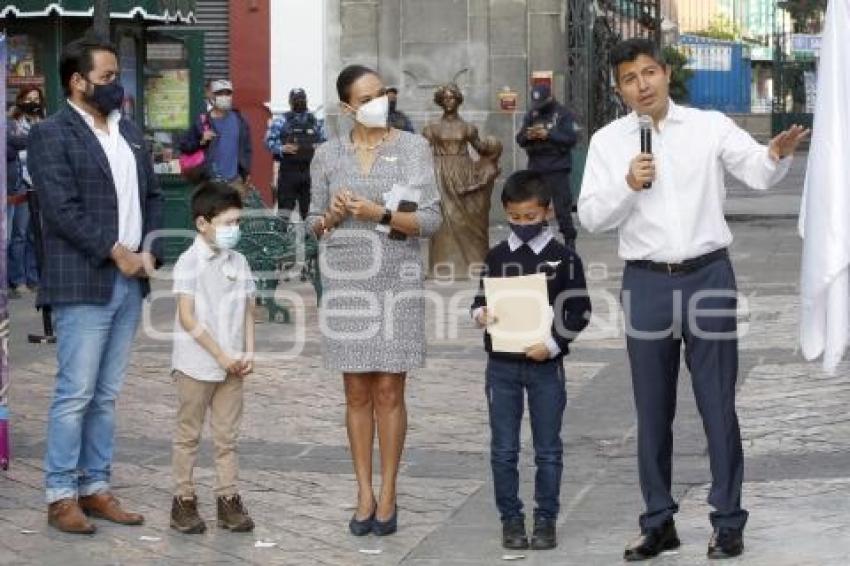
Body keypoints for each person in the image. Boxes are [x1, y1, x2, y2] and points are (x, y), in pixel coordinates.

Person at [577, 38, 809, 561]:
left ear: (665, 74)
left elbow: (754, 168)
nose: (643, 85)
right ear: (619, 89)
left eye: (650, 72)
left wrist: (775, 154)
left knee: (717, 404)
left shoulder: (708, 126)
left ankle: (727, 520)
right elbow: (590, 215)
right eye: (630, 78)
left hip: (708, 278)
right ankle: (658, 520)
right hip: (646, 283)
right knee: (651, 409)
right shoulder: (608, 143)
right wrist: (626, 185)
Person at [28, 34, 164, 534]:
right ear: (77, 81)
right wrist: (116, 250)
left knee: (105, 395)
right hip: (85, 278)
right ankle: (60, 493)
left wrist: (151, 248)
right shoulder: (52, 133)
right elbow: (60, 210)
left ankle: (96, 486)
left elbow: (152, 194)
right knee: (75, 392)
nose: (116, 86)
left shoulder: (128, 131)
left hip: (131, 281)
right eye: (107, 78)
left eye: (116, 77)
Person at [307, 64, 442, 536]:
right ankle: (363, 489)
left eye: (381, 93)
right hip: (347, 279)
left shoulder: (413, 148)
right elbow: (311, 225)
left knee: (390, 390)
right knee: (356, 391)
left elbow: (430, 220)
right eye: (365, 98)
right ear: (347, 107)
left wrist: (378, 212)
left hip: (396, 275)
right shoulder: (326, 155)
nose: (377, 102)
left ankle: (389, 491)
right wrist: (332, 215)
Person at [470, 170, 591, 551]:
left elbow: (579, 312)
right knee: (504, 448)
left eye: (531, 218)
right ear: (506, 211)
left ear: (548, 211)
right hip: (502, 366)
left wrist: (554, 345)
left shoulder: (564, 258)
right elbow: (480, 299)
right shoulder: (496, 255)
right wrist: (481, 314)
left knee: (547, 448)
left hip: (545, 367)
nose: (523, 225)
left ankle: (545, 520)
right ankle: (510, 519)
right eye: (516, 218)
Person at [170, 182, 256, 534]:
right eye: (227, 223)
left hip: (232, 365)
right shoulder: (189, 261)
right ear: (202, 223)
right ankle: (183, 499)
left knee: (227, 436)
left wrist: (248, 351)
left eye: (238, 223)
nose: (234, 230)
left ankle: (228, 498)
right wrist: (220, 355)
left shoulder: (240, 260)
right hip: (195, 364)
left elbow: (250, 309)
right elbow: (188, 317)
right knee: (188, 434)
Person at [423, 84, 502, 279]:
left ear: (458, 100)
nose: (448, 101)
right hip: (440, 173)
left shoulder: (468, 127)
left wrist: (494, 147)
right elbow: (421, 152)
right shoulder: (431, 128)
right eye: (445, 98)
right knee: (443, 220)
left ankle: (473, 264)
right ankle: (442, 267)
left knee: (467, 221)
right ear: (440, 101)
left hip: (463, 172)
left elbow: (482, 149)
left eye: (452, 97)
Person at [516, 84, 578, 248]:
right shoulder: (532, 114)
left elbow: (570, 139)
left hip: (557, 168)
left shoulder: (563, 114)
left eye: (542, 103)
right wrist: (529, 134)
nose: (539, 107)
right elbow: (520, 139)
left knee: (562, 208)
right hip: (536, 167)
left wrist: (548, 134)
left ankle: (569, 241)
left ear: (550, 98)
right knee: (536, 208)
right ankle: (540, 243)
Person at [265, 88, 326, 222]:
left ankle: (310, 241)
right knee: (284, 214)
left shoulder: (315, 120)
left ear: (306, 100)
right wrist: (282, 148)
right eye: (296, 99)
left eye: (302, 99)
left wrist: (318, 148)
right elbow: (268, 142)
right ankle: (282, 241)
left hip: (310, 172)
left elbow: (325, 142)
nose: (299, 102)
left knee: (310, 213)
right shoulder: (282, 120)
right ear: (290, 102)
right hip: (289, 173)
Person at [7, 87, 46, 297]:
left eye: (36, 99)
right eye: (29, 99)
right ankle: (18, 279)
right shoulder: (12, 123)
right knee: (18, 235)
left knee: (35, 235)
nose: (33, 103)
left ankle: (34, 278)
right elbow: (13, 150)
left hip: (39, 184)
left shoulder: (42, 121)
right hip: (21, 184)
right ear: (21, 100)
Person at [181, 79, 252, 191]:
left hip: (235, 182)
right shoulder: (202, 121)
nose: (224, 96)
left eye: (228, 93)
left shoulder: (240, 120)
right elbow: (184, 146)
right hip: (209, 183)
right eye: (220, 93)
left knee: (233, 209)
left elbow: (247, 148)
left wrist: (246, 171)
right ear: (212, 96)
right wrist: (201, 141)